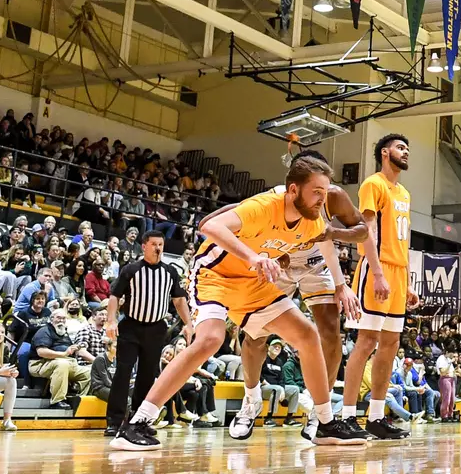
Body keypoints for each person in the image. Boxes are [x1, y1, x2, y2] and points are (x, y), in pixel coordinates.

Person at [110, 157, 366, 450]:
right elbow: (209, 225)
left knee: (307, 335)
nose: (323, 199)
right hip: (215, 275)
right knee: (210, 339)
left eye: (325, 192)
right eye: (317, 191)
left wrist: (330, 275)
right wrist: (253, 257)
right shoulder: (263, 206)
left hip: (252, 284)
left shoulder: (312, 222)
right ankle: (138, 422)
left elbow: (355, 234)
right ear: (293, 190)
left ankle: (324, 423)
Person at [339, 134, 419, 441]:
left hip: (398, 273)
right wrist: (377, 272)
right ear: (385, 153)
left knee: (391, 344)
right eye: (401, 147)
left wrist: (407, 282)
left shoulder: (405, 193)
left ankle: (375, 417)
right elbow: (367, 231)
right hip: (377, 268)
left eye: (407, 148)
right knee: (367, 340)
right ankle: (347, 417)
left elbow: (403, 240)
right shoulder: (373, 184)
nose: (405, 151)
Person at [104, 231, 189, 435]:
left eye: (161, 244)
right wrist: (110, 320)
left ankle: (139, 419)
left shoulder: (170, 272)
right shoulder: (131, 269)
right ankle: (114, 421)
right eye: (153, 244)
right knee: (123, 373)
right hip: (131, 326)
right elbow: (115, 295)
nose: (158, 248)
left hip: (156, 329)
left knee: (147, 376)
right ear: (144, 246)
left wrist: (189, 323)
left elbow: (179, 300)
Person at [31, 305, 91, 408]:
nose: (61, 321)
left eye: (64, 318)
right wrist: (63, 354)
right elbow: (41, 352)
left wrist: (74, 349)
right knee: (62, 364)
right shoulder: (44, 331)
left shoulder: (65, 333)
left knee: (90, 371)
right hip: (41, 363)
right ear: (51, 319)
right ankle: (57, 401)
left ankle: (80, 400)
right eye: (58, 318)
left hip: (68, 362)